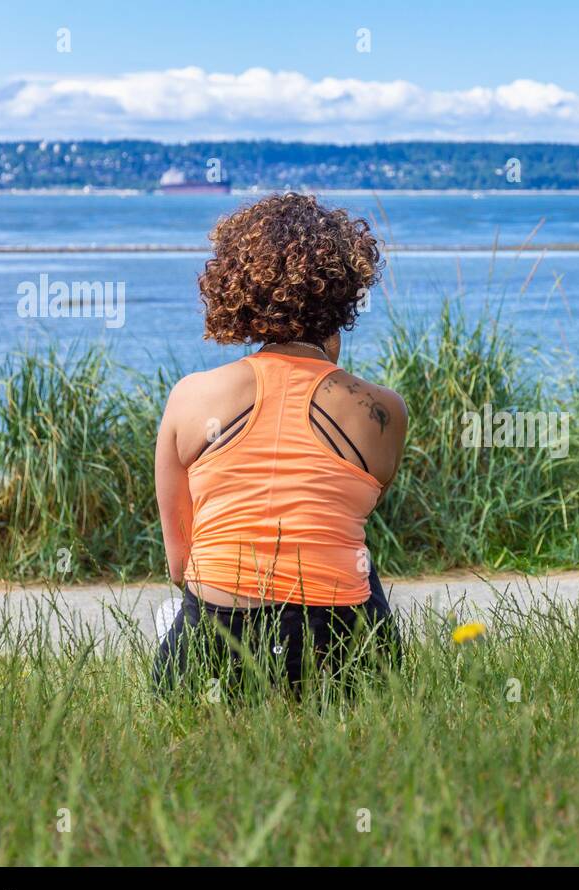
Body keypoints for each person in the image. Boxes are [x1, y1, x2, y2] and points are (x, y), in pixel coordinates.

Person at [152, 193, 407, 696]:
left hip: (212, 653)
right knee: (354, 554)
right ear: (346, 294)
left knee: (182, 604)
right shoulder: (383, 410)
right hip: (339, 653)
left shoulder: (190, 397)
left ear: (236, 291)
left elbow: (180, 567)